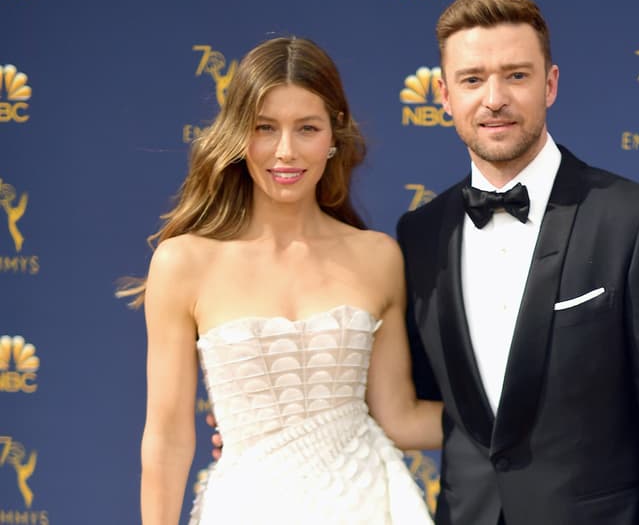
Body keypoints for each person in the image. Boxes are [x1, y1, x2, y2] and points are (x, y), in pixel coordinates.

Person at [396, 0, 639, 524]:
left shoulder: (636, 220)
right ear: (445, 96)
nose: (494, 99)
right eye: (472, 79)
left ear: (550, 84)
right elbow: (417, 397)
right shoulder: (421, 233)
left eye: (516, 76)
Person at [120, 36, 441, 525]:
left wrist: (529, 420)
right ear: (237, 134)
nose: (285, 151)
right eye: (264, 128)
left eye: (307, 128)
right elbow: (167, 440)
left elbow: (400, 418)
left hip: (368, 507)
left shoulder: (377, 257)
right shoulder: (183, 262)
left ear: (333, 135)